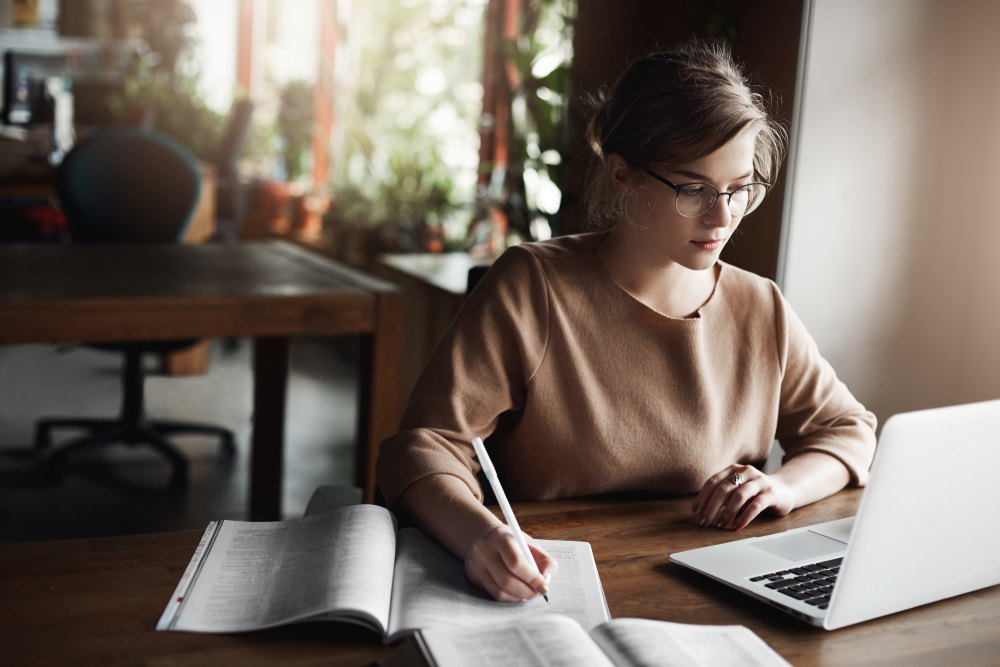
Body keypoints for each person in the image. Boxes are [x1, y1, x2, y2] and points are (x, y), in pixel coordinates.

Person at [376, 41, 877, 604]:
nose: (722, 217)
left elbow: (850, 432)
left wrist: (782, 486)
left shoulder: (761, 307)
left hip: (711, 592)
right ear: (623, 176)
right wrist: (481, 536)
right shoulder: (533, 287)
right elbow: (422, 447)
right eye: (694, 189)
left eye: (739, 190)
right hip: (551, 589)